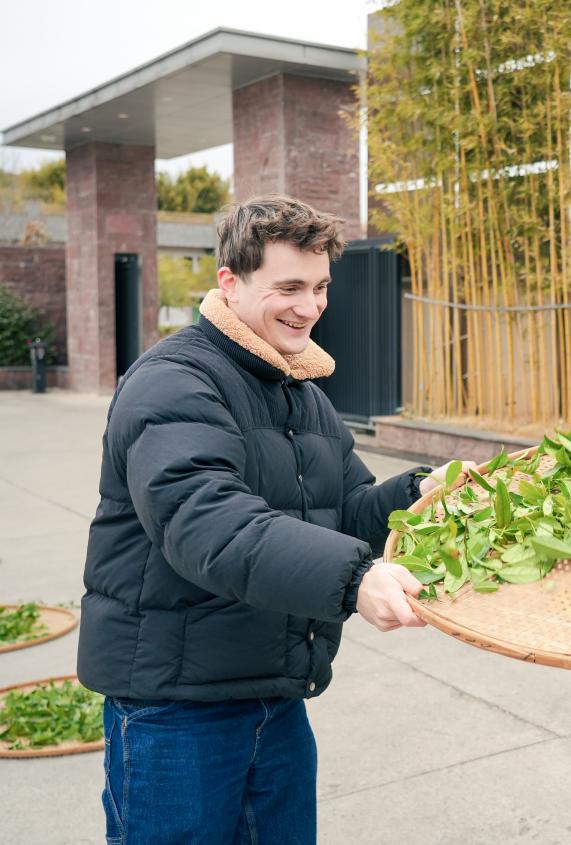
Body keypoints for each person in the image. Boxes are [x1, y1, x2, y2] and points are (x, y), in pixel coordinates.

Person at [79, 194, 460, 843]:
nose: (309, 306)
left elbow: (349, 510)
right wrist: (355, 580)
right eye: (288, 286)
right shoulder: (172, 381)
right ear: (230, 282)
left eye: (319, 287)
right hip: (176, 713)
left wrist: (427, 489)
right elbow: (210, 524)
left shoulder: (302, 395)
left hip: (277, 702)